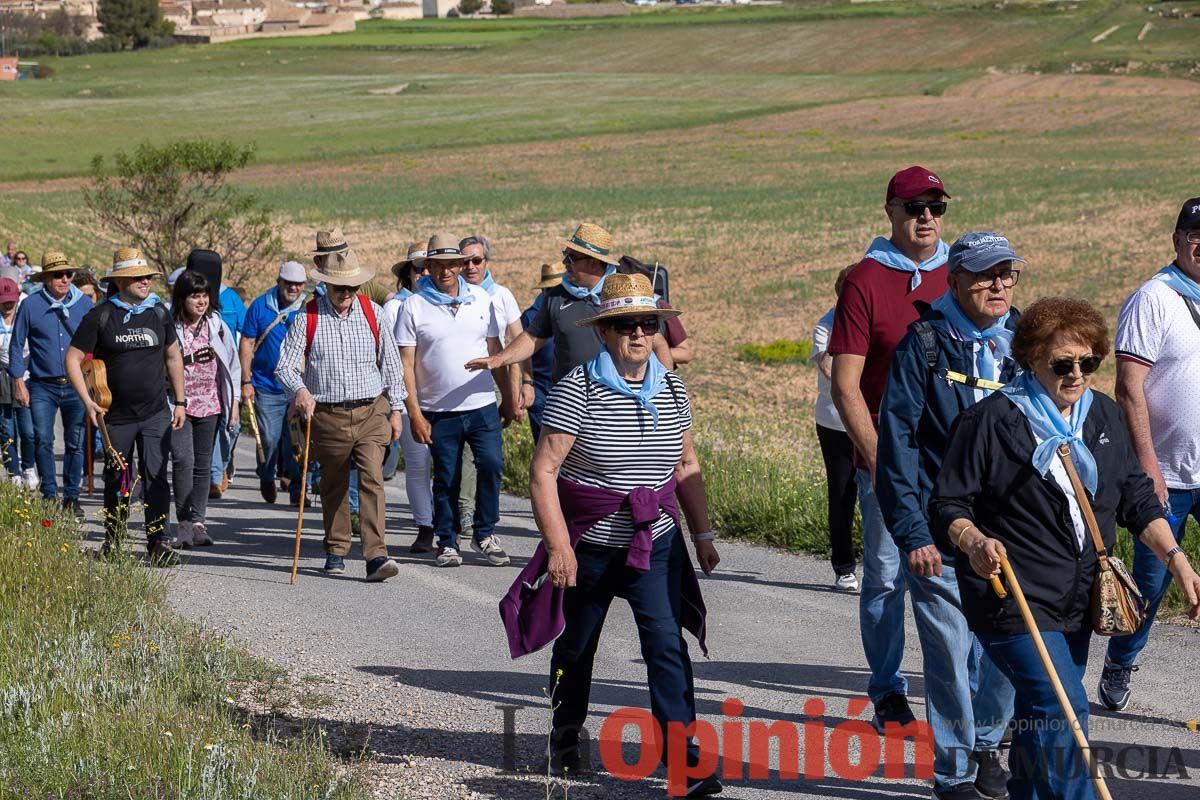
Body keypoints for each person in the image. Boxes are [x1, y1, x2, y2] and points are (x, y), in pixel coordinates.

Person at [932, 296, 1200, 800]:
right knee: (1063, 708)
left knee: (1040, 712)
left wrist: (1177, 560)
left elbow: (1137, 499)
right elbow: (948, 503)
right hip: (1011, 595)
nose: (1076, 374)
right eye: (1062, 364)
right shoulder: (991, 421)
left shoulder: (1102, 415)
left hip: (1076, 597)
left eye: (1087, 362)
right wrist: (974, 541)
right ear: (1032, 358)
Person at [507, 272, 721, 796]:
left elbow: (686, 463)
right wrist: (559, 546)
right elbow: (544, 472)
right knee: (578, 646)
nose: (638, 334)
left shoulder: (672, 388)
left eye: (647, 324)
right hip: (592, 545)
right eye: (625, 324)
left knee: (666, 646)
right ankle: (564, 732)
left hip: (657, 540)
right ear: (605, 331)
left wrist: (703, 534)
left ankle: (681, 756)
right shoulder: (577, 388)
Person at [877, 232, 1025, 800]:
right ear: (956, 280)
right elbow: (899, 444)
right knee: (948, 650)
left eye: (1007, 274)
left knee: (1003, 651)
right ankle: (956, 771)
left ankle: (987, 742)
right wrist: (912, 531)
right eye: (987, 275)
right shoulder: (926, 344)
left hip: (1009, 533)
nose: (999, 285)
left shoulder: (1021, 344)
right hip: (939, 534)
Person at [828, 166, 951, 731]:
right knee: (884, 577)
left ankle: (963, 696)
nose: (925, 217)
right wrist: (882, 463)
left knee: (958, 576)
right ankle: (887, 689)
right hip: (886, 459)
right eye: (914, 207)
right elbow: (845, 384)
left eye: (935, 207)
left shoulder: (963, 272)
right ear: (890, 211)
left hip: (954, 464)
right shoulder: (865, 280)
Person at [1100, 197, 1200, 711]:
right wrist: (1147, 467)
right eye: (1194, 235)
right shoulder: (1154, 299)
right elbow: (1127, 388)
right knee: (1152, 583)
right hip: (1166, 473)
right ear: (1178, 240)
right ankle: (1121, 661)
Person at [275, 229, 405, 583]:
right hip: (328, 414)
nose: (346, 293)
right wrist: (299, 391)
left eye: (351, 287)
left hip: (371, 411)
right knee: (333, 483)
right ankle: (335, 547)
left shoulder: (374, 313)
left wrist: (397, 410)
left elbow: (391, 363)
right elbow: (285, 366)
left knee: (372, 478)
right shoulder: (308, 317)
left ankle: (376, 555)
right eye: (339, 287)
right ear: (327, 286)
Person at [397, 233, 513, 565]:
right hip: (438, 409)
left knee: (491, 464)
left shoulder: (481, 299)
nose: (445, 272)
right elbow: (405, 364)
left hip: (481, 404)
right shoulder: (414, 306)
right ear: (427, 267)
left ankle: (485, 533)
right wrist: (414, 414)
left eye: (451, 265)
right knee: (447, 475)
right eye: (437, 265)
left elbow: (496, 352)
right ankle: (447, 540)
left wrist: (505, 396)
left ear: (461, 266)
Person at [66, 247, 187, 567]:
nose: (145, 281)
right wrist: (88, 401)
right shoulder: (101, 315)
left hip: (155, 413)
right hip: (115, 415)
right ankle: (115, 537)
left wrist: (180, 401)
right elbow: (73, 359)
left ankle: (158, 542)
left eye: (147, 276)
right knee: (119, 475)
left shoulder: (159, 312)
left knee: (157, 475)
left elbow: (173, 357)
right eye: (138, 277)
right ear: (120, 281)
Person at [466, 223, 676, 385]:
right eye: (565, 255)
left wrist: (666, 388)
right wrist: (499, 359)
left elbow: (656, 342)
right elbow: (532, 337)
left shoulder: (621, 292)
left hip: (615, 400)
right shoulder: (556, 295)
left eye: (572, 257)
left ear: (594, 263)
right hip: (568, 401)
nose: (565, 262)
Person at [8, 250, 91, 516]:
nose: (65, 279)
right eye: (58, 275)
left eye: (69, 274)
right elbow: (16, 344)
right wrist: (18, 381)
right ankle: (49, 494)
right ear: (46, 278)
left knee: (75, 441)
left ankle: (71, 497)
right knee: (43, 439)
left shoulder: (84, 305)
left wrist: (97, 379)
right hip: (42, 384)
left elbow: (96, 343)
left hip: (76, 384)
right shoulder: (30, 305)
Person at [458, 235, 524, 544]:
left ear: (487, 262)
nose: (471, 266)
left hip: (493, 384)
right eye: (465, 261)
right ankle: (460, 512)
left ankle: (473, 514)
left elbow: (518, 342)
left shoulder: (501, 296)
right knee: (458, 456)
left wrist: (521, 389)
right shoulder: (449, 297)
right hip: (457, 384)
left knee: (485, 456)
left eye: (477, 260)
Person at [169, 270, 241, 548]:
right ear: (181, 298)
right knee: (182, 461)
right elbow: (165, 361)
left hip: (210, 403)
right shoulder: (170, 325)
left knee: (202, 466)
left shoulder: (216, 325)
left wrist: (232, 403)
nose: (201, 302)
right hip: (178, 405)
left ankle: (198, 522)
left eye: (204, 296)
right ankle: (183, 523)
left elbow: (232, 365)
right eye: (194, 296)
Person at [240, 261, 310, 505]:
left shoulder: (309, 308)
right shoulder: (260, 306)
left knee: (298, 440)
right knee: (269, 438)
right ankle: (267, 474)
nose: (293, 288)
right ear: (279, 281)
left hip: (298, 386)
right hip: (266, 385)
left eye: (298, 283)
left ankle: (298, 490)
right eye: (288, 282)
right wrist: (246, 380)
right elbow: (247, 342)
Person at [384, 243, 435, 547]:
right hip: (407, 398)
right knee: (417, 466)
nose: (425, 273)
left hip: (442, 397)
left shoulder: (446, 303)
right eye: (418, 268)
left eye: (429, 267)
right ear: (409, 273)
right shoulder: (394, 308)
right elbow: (389, 357)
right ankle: (425, 526)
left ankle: (449, 522)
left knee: (445, 465)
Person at [811, 266, 858, 591]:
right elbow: (830, 369)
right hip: (834, 423)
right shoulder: (825, 327)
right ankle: (844, 568)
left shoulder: (863, 323)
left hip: (870, 420)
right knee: (842, 494)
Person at [520, 263, 565, 442]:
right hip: (541, 390)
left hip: (567, 389)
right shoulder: (531, 316)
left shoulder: (572, 312)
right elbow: (523, 355)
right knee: (545, 444)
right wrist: (527, 384)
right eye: (550, 290)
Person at [0, 278, 35, 487]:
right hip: (2, 379)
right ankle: (13, 472)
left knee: (29, 431)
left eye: (10, 301)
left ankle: (28, 467)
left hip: (26, 377)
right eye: (3, 301)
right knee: (6, 429)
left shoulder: (24, 317)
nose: (7, 305)